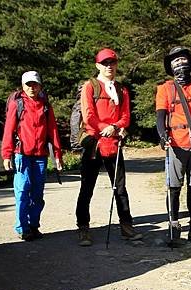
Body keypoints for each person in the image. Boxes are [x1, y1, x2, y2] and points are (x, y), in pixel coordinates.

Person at [75, 48, 142, 246]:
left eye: (112, 62)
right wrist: (105, 128)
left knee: (120, 187)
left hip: (114, 142)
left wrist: (115, 128)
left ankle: (126, 227)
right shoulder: (90, 86)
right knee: (87, 187)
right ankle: (83, 228)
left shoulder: (122, 90)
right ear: (98, 66)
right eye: (105, 63)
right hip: (93, 143)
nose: (109, 66)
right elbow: (88, 116)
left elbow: (126, 117)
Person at [155, 47, 191, 242]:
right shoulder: (165, 88)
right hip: (175, 143)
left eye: (183, 60)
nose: (180, 64)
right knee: (174, 186)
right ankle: (173, 226)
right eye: (176, 61)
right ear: (171, 67)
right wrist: (163, 136)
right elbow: (160, 116)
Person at [1, 70, 63, 241]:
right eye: (28, 84)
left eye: (35, 84)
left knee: (37, 194)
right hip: (22, 154)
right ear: (23, 86)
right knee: (22, 191)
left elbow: (53, 131)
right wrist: (6, 155)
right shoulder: (17, 104)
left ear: (40, 85)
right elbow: (9, 129)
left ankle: (33, 226)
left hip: (40, 155)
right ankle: (22, 228)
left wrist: (57, 155)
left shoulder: (45, 105)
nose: (32, 87)